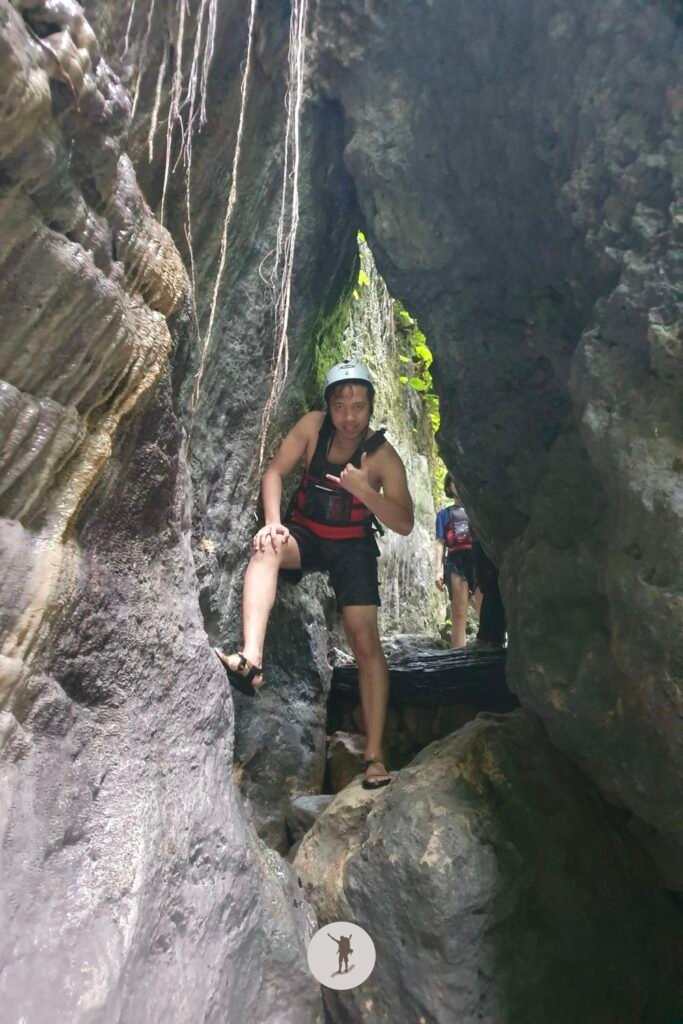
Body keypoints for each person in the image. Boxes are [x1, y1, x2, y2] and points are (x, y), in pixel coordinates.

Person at [214, 360, 414, 790]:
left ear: (370, 408)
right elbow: (275, 472)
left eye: (358, 406)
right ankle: (251, 659)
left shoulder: (381, 456)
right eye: (340, 406)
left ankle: (375, 756)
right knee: (265, 547)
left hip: (353, 548)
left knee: (364, 641)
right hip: (306, 535)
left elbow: (403, 521)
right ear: (328, 406)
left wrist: (363, 491)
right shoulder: (312, 427)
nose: (348, 416)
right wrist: (272, 521)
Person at [434, 473, 474, 648]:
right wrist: (438, 570)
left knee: (486, 606)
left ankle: (494, 648)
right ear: (449, 487)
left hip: (477, 558)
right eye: (454, 483)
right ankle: (458, 653)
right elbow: (440, 542)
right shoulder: (444, 515)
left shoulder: (476, 512)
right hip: (455, 560)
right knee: (459, 612)